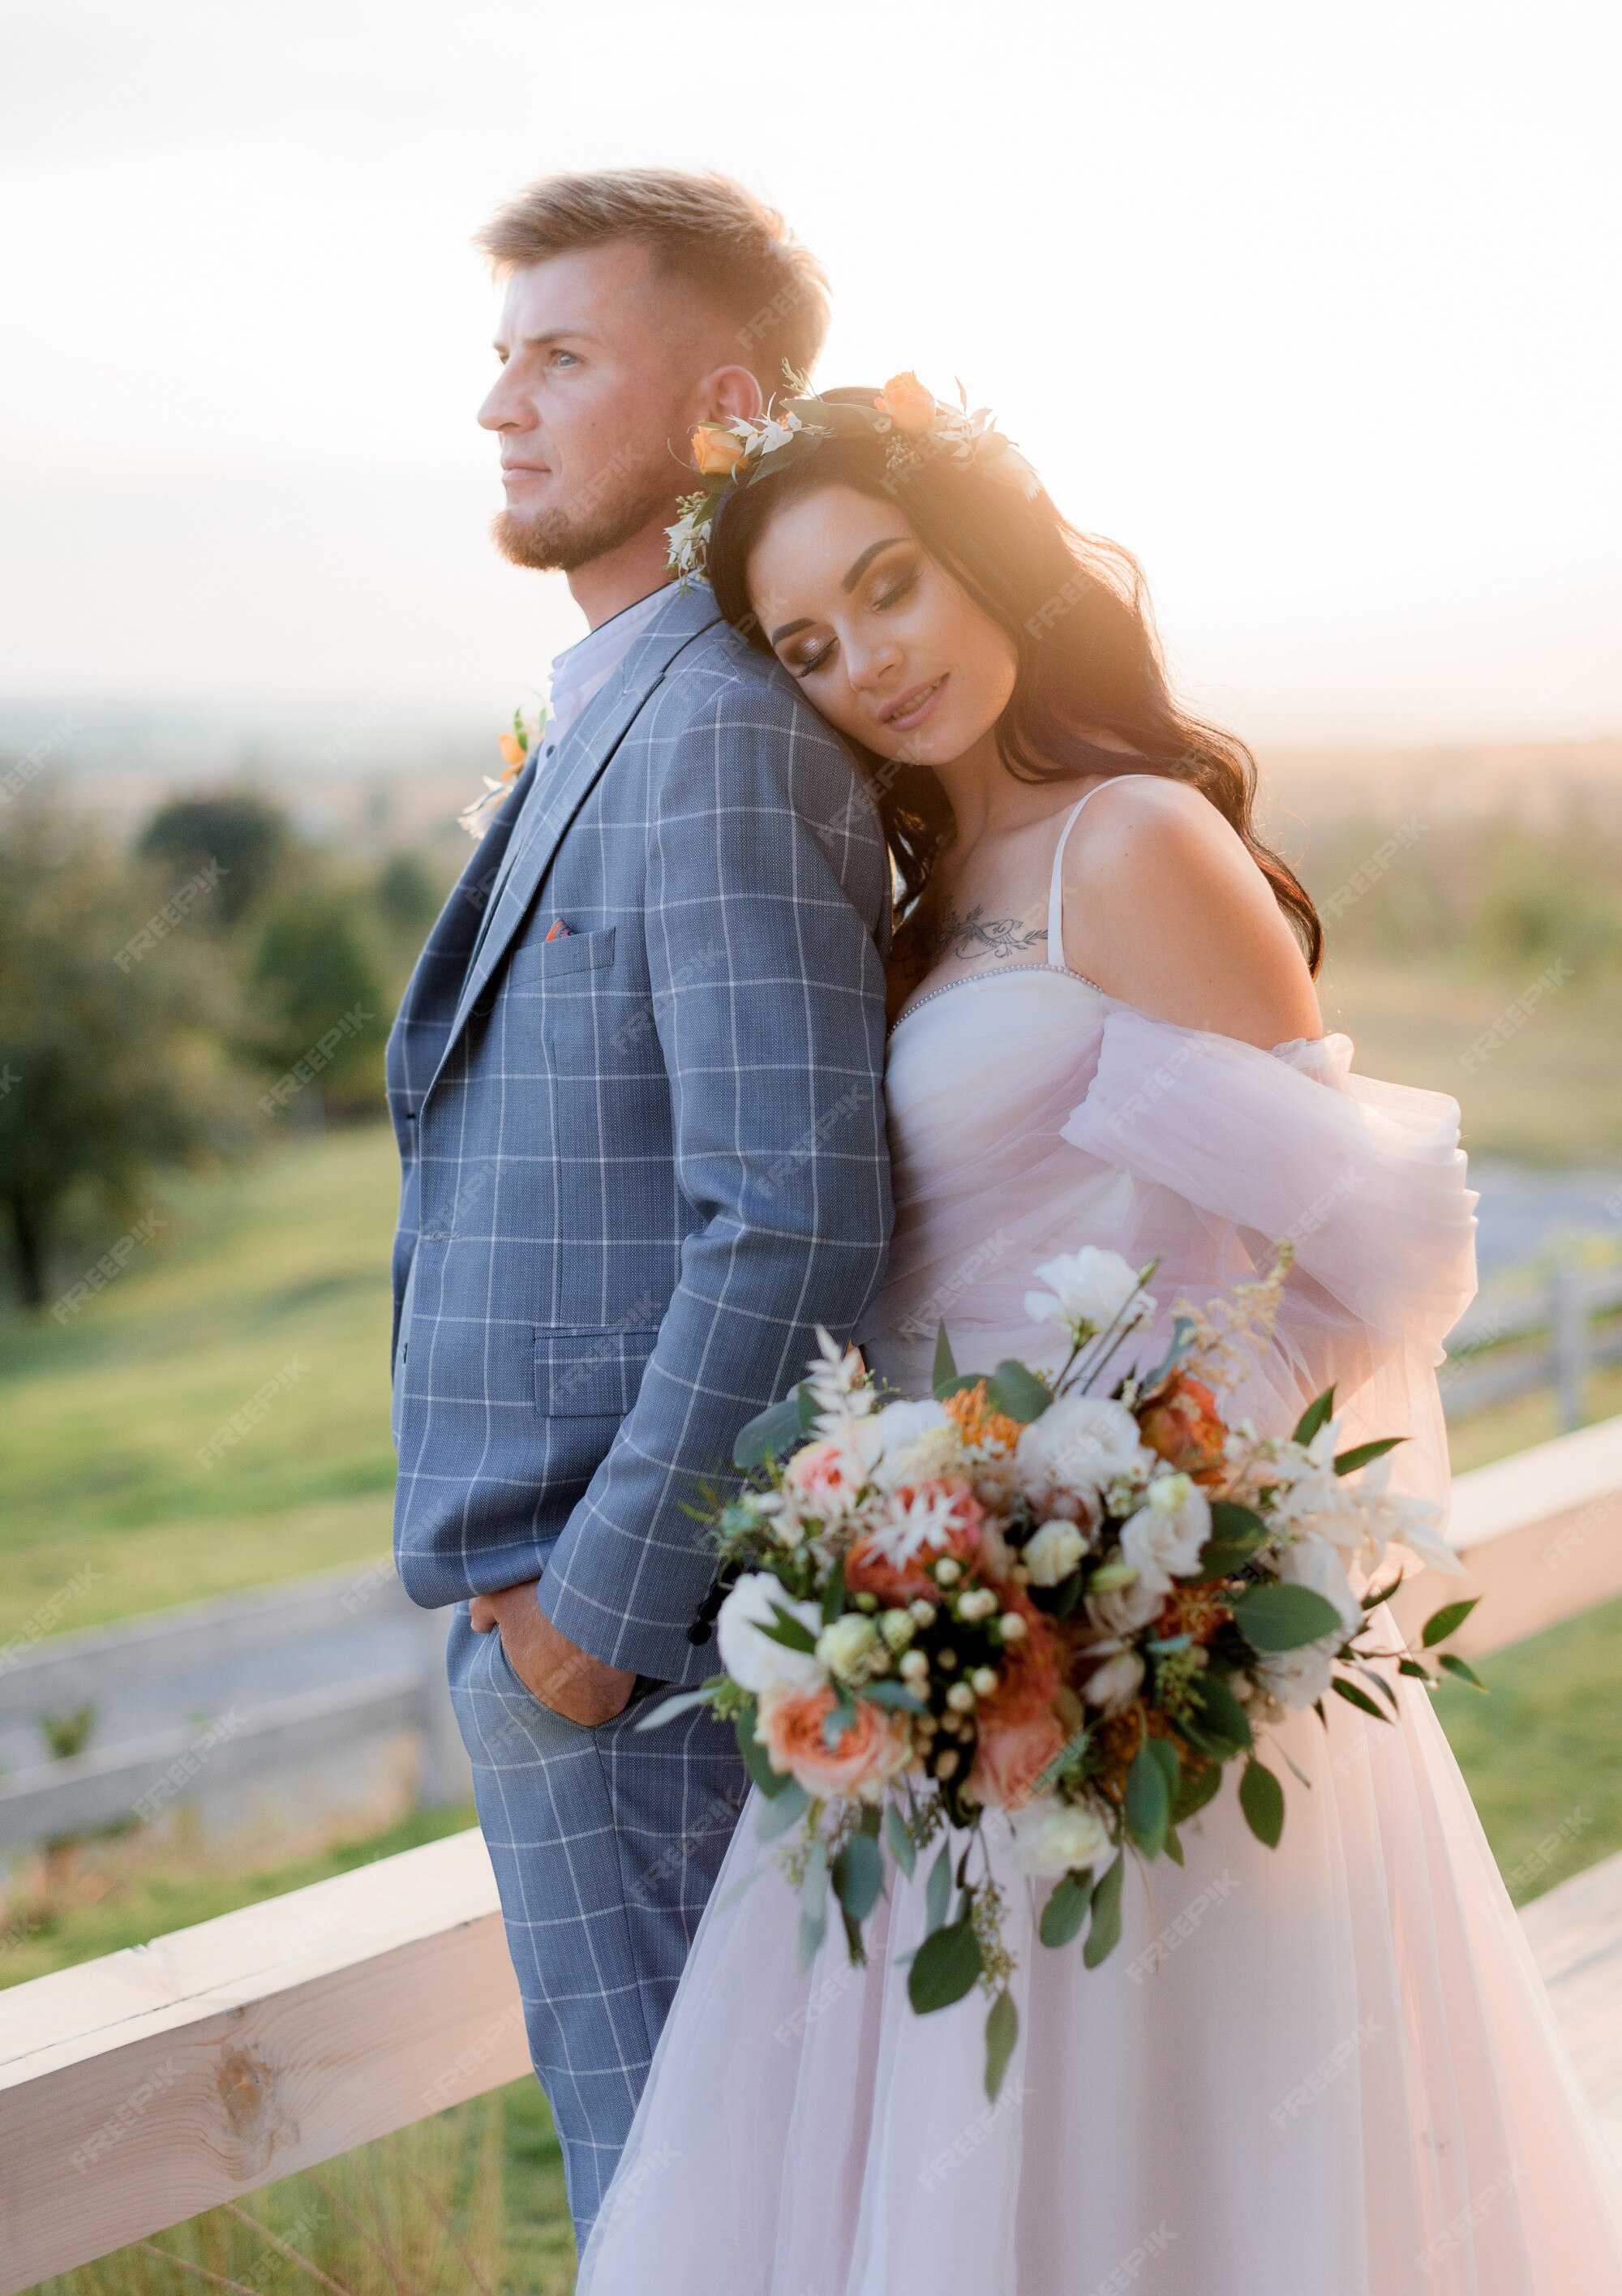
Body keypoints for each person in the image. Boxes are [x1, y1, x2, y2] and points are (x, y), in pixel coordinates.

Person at [574, 384, 1622, 2292]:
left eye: (889, 587)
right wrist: (912, 1548)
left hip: (1117, 1652)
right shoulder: (919, 893)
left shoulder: (1132, 845)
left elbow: (1361, 1267)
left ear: (988, 551)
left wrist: (1112, 1538)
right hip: (929, 1652)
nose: (868, 663)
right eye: (810, 645)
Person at [384, 179, 894, 2240]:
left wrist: (592, 1625)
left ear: (721, 408)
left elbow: (787, 1210)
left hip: (642, 1661)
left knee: (698, 2229)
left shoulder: (721, 742)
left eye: (560, 355)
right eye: (501, 354)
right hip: (580, 1660)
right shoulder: (619, 709)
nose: (499, 403)